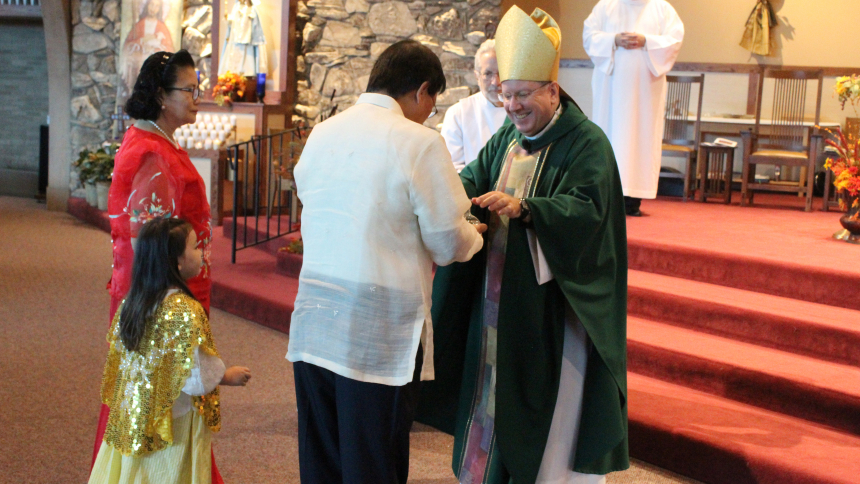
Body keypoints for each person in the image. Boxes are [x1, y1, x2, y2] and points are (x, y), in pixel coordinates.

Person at [417, 6, 629, 484]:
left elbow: (589, 213)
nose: (512, 106)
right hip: (498, 303)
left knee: (551, 422)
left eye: (522, 94)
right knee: (491, 394)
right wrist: (444, 199)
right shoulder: (508, 139)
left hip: (552, 313)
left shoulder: (587, 144)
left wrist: (530, 210)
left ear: (552, 90)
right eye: (505, 94)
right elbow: (471, 180)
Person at [286, 39, 487, 484]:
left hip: (316, 319)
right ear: (422, 90)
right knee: (373, 462)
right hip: (378, 329)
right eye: (432, 103)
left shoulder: (323, 132)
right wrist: (474, 234)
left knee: (321, 458)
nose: (429, 114)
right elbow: (446, 241)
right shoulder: (419, 142)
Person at [94, 49, 213, 471]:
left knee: (160, 405)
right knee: (156, 411)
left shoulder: (157, 143)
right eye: (189, 89)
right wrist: (176, 311)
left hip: (171, 290)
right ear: (162, 95)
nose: (198, 98)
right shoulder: (152, 154)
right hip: (163, 299)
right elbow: (152, 247)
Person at [88, 217, 251, 484]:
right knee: (168, 473)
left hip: (135, 416)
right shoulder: (184, 310)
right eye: (195, 247)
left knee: (132, 473)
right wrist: (227, 375)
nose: (201, 252)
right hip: (171, 422)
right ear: (176, 261)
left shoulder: (131, 303)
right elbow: (195, 376)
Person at [583, 0, 684, 216]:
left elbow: (674, 39)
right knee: (610, 137)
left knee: (640, 140)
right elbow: (589, 36)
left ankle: (632, 201)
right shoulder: (606, 6)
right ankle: (607, 199)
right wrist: (614, 40)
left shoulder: (661, 9)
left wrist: (647, 41)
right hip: (611, 90)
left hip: (646, 91)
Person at [440, 39, 507, 172]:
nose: (496, 82)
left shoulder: (523, 110)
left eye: (502, 73)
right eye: (488, 74)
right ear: (477, 77)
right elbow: (451, 169)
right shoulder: (458, 114)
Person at [120, 0, 176, 98]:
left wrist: (154, 49)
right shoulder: (140, 25)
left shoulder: (162, 27)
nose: (153, 9)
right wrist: (142, 42)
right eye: (151, 5)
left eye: (156, 6)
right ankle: (136, 92)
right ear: (147, 6)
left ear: (159, 9)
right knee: (139, 61)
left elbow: (169, 49)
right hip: (139, 57)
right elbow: (128, 44)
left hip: (154, 58)